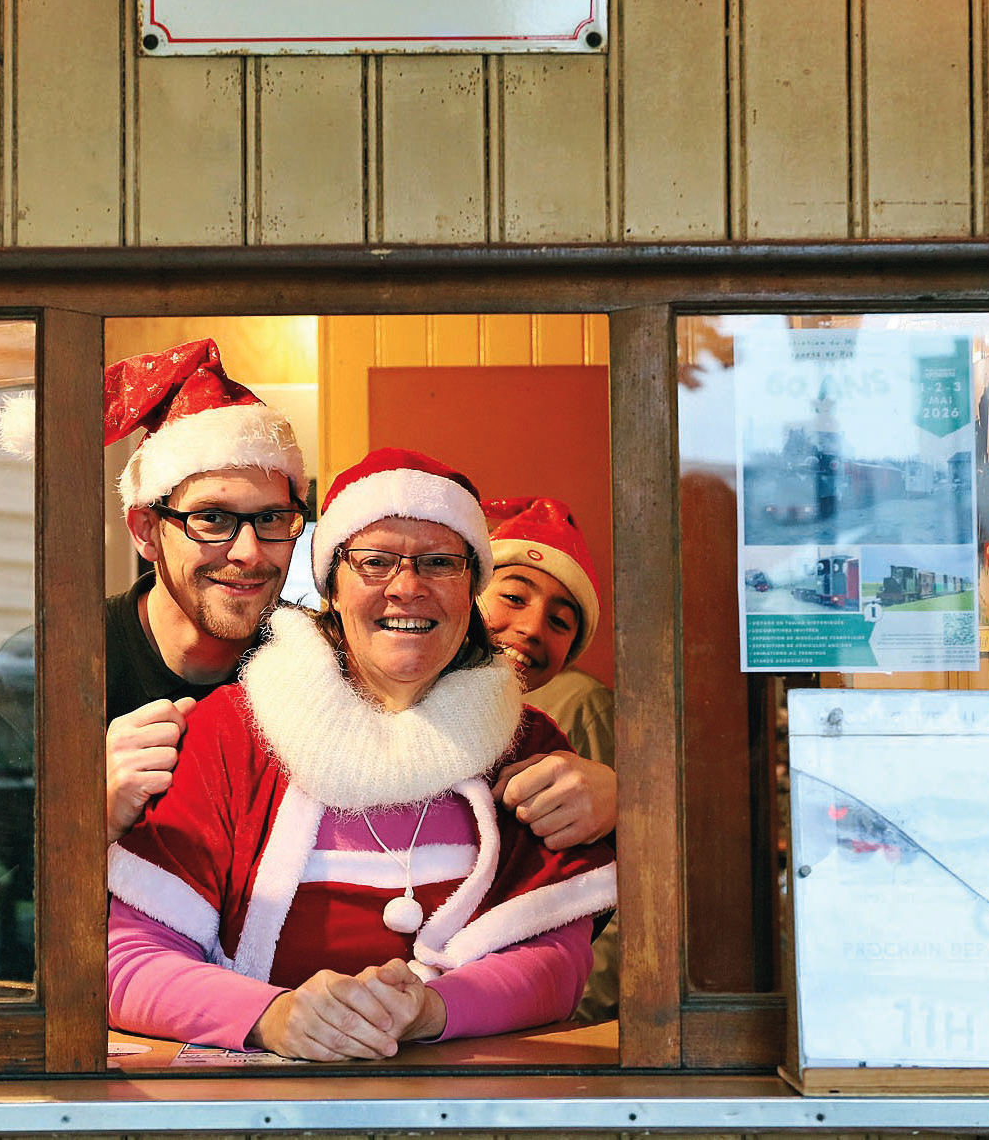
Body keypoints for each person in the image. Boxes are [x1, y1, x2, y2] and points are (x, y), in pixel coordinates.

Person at [107, 449, 617, 1059]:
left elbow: (558, 962)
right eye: (375, 562)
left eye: (440, 563)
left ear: (470, 590)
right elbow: (128, 959)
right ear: (333, 588)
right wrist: (273, 1017)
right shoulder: (228, 734)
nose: (407, 587)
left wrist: (433, 1011)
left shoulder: (530, 748)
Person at [0, 339, 308, 979]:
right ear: (145, 530)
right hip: (100, 1039)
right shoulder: (42, 672)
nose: (250, 552)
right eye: (211, 518)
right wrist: (86, 820)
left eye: (273, 519)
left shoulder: (314, 666)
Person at [478, 496, 619, 1023]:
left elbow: (604, 893)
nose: (534, 628)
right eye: (513, 596)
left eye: (560, 623)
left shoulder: (554, 728)